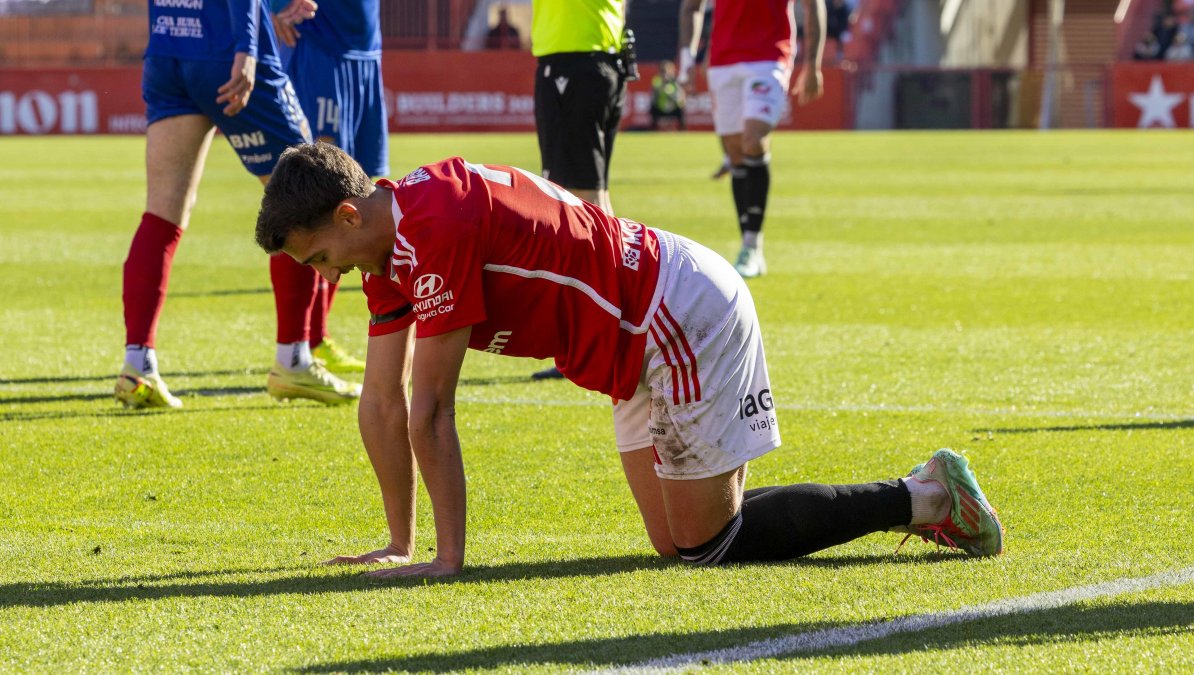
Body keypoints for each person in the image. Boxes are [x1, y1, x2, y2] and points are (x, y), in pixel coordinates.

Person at [254, 143, 1005, 577]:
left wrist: (447, 562)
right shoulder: (386, 253)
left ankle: (928, 495)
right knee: (677, 541)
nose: (325, 276)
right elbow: (383, 401)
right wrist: (399, 545)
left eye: (319, 256)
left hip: (675, 316)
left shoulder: (436, 226)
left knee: (708, 544)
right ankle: (872, 492)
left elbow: (432, 407)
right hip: (633, 344)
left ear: (349, 214)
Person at [116, 0, 361, 409]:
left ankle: (136, 364)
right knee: (307, 192)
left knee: (162, 212)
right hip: (228, 52)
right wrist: (247, 50)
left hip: (168, 51)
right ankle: (294, 359)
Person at [267, 0, 390, 380]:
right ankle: (292, 352)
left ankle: (317, 340)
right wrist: (269, 8)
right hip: (319, 48)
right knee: (309, 201)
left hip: (366, 54)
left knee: (361, 197)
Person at [678, 0, 826, 278]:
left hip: (769, 58)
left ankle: (752, 246)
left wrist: (812, 65)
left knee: (752, 140)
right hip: (722, 61)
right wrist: (687, 59)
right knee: (735, 154)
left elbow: (813, 5)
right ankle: (747, 241)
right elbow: (691, 7)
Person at [528, 0, 633, 380]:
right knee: (595, 199)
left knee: (579, 202)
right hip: (601, 57)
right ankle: (614, 329)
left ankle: (597, 338)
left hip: (573, 59)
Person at [649, 60, 686, 130]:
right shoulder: (657, 81)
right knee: (652, 109)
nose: (664, 74)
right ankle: (653, 130)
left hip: (673, 108)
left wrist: (671, 94)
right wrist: (659, 90)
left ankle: (683, 130)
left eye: (666, 72)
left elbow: (681, 99)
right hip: (660, 109)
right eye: (662, 72)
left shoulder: (674, 82)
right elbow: (653, 97)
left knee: (681, 110)